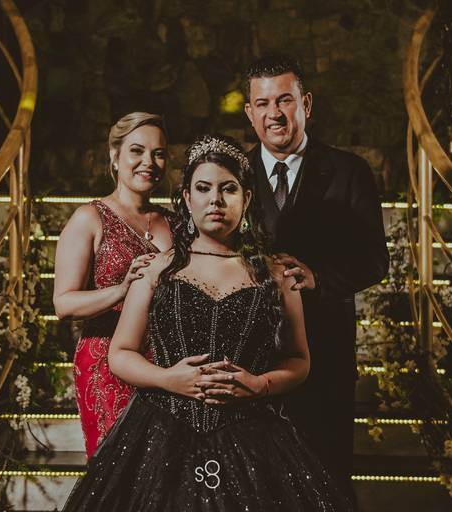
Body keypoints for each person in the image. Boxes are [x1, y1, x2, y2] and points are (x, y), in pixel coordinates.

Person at [61, 134, 352, 511]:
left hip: (253, 434)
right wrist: (168, 379)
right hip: (161, 429)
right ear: (187, 198)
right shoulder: (157, 270)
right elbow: (120, 353)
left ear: (247, 199)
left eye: (228, 189)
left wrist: (260, 385)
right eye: (203, 188)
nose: (215, 199)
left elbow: (299, 360)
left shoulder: (275, 274)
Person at [243, 55, 389, 505]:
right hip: (252, 359)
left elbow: (375, 260)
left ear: (305, 103)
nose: (274, 113)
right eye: (263, 103)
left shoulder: (349, 171)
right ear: (249, 112)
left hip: (326, 355)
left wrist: (319, 278)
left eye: (284, 100)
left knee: (326, 483)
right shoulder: (233, 175)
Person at [53, 112, 173, 458]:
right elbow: (63, 304)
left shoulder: (176, 222)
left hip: (164, 364)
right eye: (137, 151)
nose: (148, 162)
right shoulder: (90, 218)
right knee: (117, 471)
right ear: (115, 156)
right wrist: (121, 290)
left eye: (159, 154)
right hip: (106, 363)